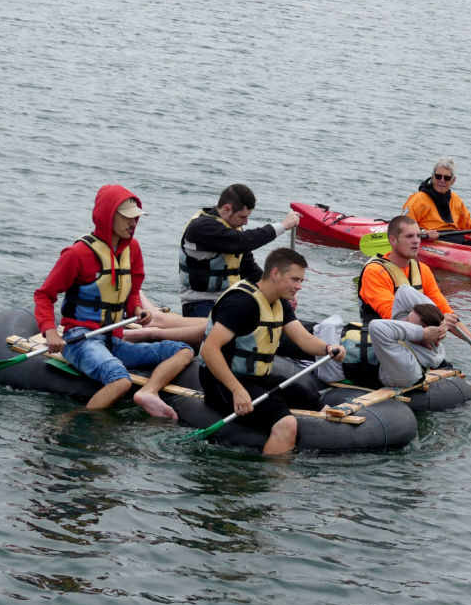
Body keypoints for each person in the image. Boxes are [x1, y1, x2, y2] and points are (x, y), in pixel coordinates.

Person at [34, 185, 194, 419]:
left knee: (183, 350)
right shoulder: (77, 254)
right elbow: (44, 295)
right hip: (81, 340)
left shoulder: (133, 249)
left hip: (113, 339)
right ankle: (73, 420)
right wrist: (50, 331)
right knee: (120, 380)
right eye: (127, 217)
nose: (134, 223)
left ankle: (149, 392)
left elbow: (131, 293)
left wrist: (137, 309)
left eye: (136, 218)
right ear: (108, 216)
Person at [199, 247, 346, 455]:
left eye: (301, 281)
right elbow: (210, 350)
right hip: (221, 381)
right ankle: (270, 482)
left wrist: (327, 347)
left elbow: (303, 339)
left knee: (313, 401)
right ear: (275, 273)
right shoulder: (241, 303)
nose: (299, 286)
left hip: (255, 378)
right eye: (295, 279)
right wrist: (237, 391)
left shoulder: (279, 302)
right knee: (286, 423)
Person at [357, 215, 471, 359]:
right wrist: (440, 321)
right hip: (384, 345)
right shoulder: (375, 272)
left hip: (417, 341)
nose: (416, 241)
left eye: (418, 236)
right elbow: (392, 317)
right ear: (393, 241)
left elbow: (445, 311)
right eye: (409, 236)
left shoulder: (422, 270)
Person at [179, 183, 301, 318]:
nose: (246, 222)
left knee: (277, 315)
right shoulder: (202, 227)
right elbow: (243, 241)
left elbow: (251, 271)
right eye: (242, 217)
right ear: (227, 209)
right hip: (199, 304)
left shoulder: (232, 229)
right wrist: (283, 226)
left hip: (228, 300)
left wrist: (282, 295)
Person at [401, 157, 471, 250]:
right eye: (438, 176)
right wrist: (423, 231)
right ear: (433, 177)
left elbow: (467, 224)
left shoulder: (456, 199)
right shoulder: (418, 198)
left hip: (456, 243)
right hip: (434, 243)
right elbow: (404, 224)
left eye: (447, 178)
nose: (442, 180)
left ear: (453, 180)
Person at [368, 302, 447, 388]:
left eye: (408, 324)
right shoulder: (433, 346)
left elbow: (375, 326)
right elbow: (404, 290)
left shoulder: (408, 365)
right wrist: (443, 320)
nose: (402, 322)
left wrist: (423, 333)